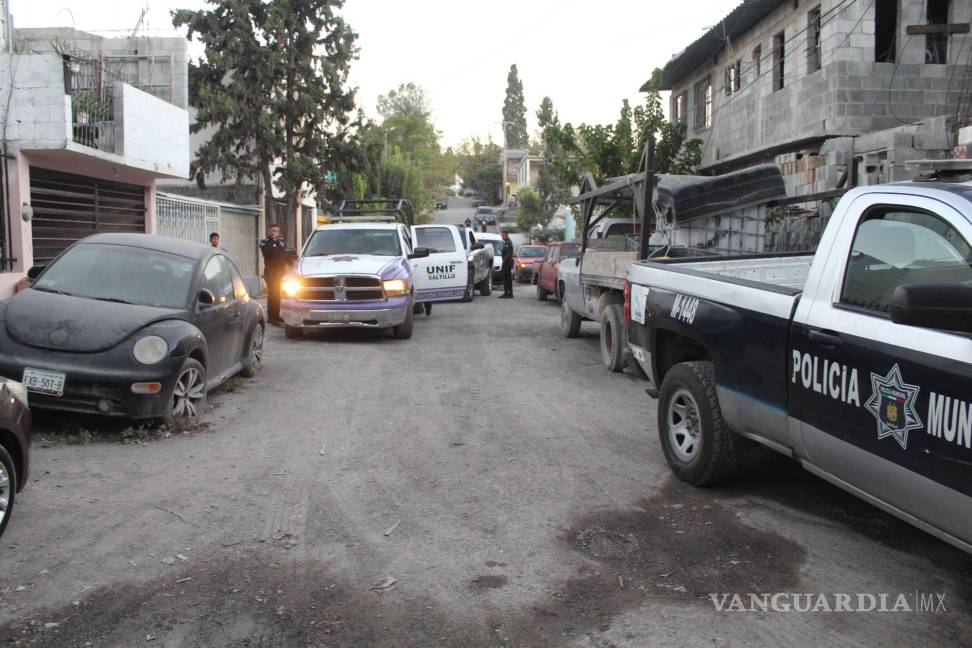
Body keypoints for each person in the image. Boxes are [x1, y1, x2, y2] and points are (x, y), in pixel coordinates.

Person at [260, 224, 288, 325]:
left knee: (278, 294)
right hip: (271, 272)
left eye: (276, 231)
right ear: (269, 231)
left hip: (280, 271)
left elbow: (283, 255)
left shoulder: (281, 242)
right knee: (273, 294)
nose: (275, 233)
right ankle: (271, 317)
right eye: (273, 231)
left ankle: (276, 315)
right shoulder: (265, 242)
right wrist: (273, 241)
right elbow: (267, 253)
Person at [497, 230, 514, 298]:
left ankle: (507, 293)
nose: (502, 236)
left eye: (503, 235)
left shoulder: (508, 242)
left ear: (507, 235)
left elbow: (508, 253)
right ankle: (509, 293)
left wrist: (504, 261)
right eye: (502, 235)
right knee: (507, 278)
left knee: (507, 278)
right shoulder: (505, 242)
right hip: (507, 261)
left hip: (507, 262)